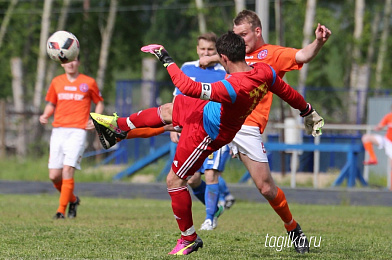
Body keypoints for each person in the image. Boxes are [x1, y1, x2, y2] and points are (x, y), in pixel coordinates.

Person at [90, 31, 324, 255]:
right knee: (168, 110)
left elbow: (188, 86)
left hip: (209, 132)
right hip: (207, 112)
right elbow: (286, 91)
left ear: (224, 58)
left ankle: (190, 239)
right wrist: (307, 111)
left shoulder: (232, 87)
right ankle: (117, 127)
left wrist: (164, 56)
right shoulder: (263, 70)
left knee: (176, 181)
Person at [199, 10, 331, 253]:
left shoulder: (271, 55)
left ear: (257, 32)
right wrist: (211, 59)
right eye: (235, 35)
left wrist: (319, 42)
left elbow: (302, 55)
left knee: (266, 188)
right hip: (219, 119)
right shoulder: (233, 55)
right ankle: (121, 127)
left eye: (244, 34)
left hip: (248, 128)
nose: (239, 40)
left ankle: (292, 228)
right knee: (174, 119)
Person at [171, 32, 234, 231]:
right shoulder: (187, 68)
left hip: (215, 130)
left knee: (210, 174)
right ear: (197, 49)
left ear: (217, 52)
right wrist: (174, 126)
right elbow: (177, 98)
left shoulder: (224, 71)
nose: (206, 53)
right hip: (190, 129)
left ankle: (209, 219)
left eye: (210, 50)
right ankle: (214, 207)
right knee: (191, 178)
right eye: (203, 49)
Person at [39, 56, 104, 219]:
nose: (71, 63)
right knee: (54, 175)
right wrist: (46, 115)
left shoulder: (88, 82)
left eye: (74, 60)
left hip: (78, 131)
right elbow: (51, 103)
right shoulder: (56, 82)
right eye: (68, 60)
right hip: (58, 131)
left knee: (68, 169)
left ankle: (61, 211)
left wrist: (95, 119)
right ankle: (73, 200)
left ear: (79, 62)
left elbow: (99, 102)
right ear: (62, 63)